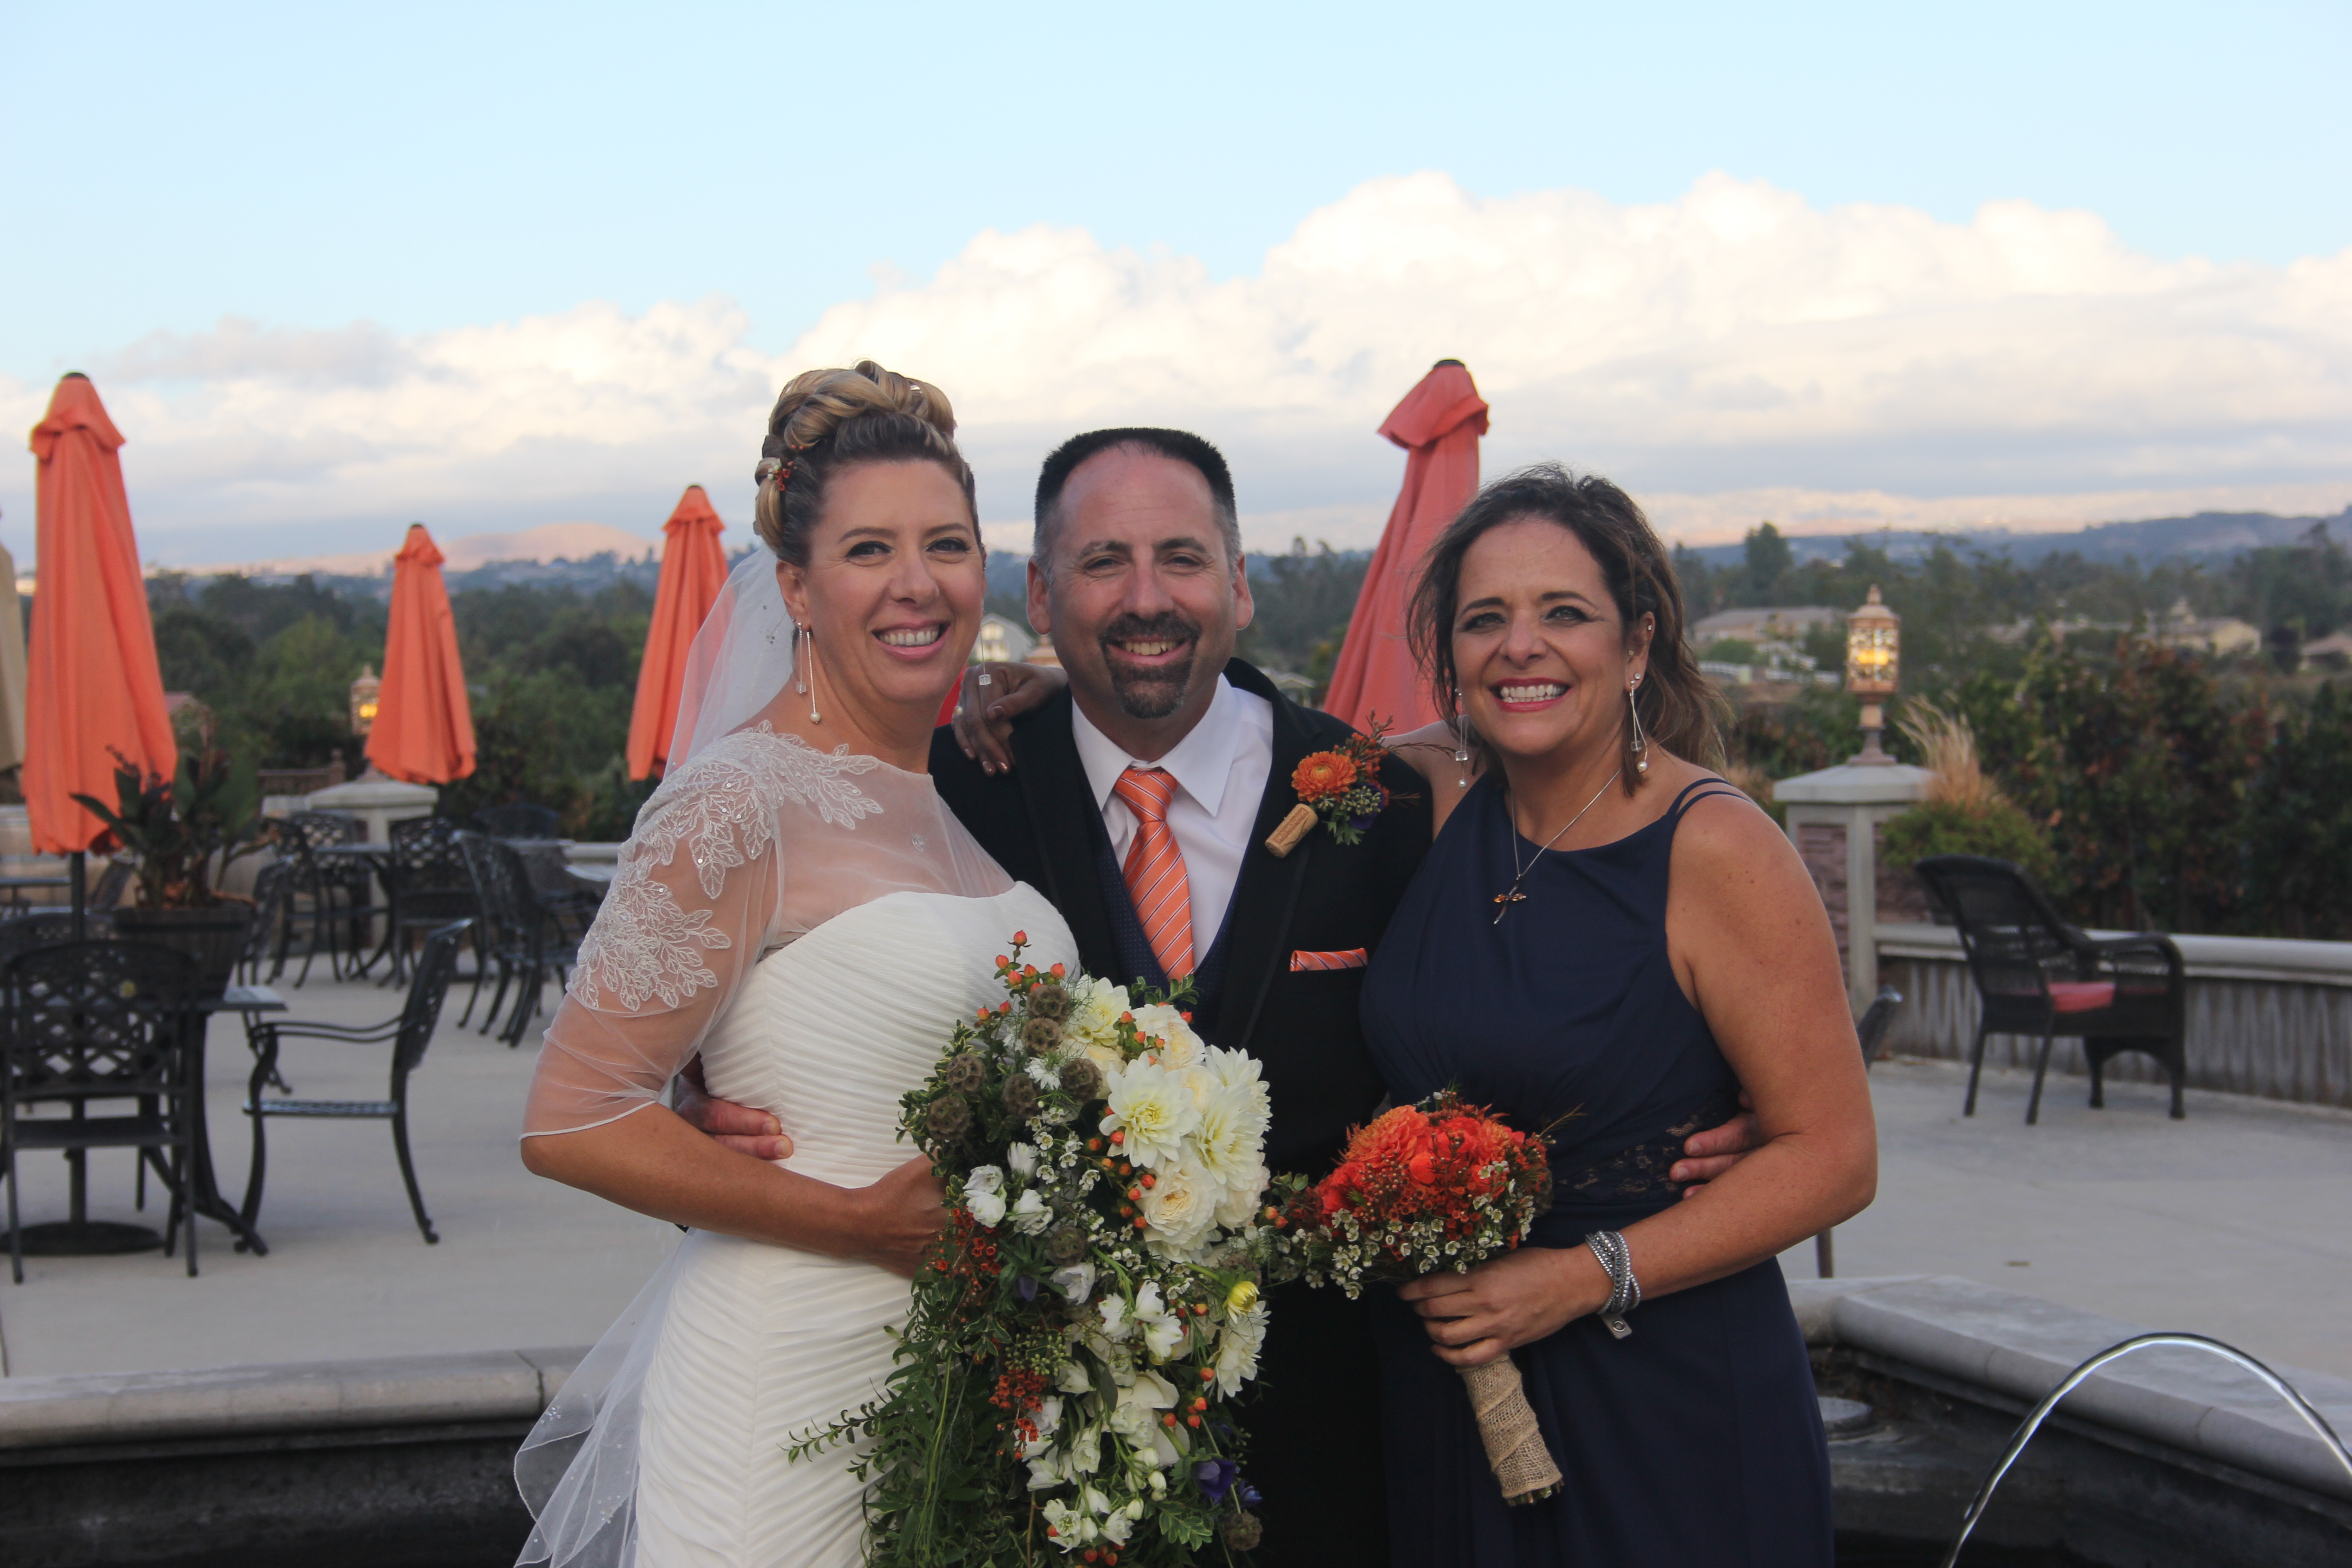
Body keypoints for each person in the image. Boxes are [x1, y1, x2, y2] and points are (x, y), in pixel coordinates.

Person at [680, 431, 1769, 1562]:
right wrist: (713, 1094)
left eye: (1183, 559)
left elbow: (1530, 976)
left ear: (1240, 586)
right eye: (1104, 563)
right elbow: (765, 1010)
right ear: (1042, 597)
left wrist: (1689, 1102)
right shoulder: (940, 794)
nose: (1147, 599)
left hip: (1349, 1457)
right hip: (1022, 1467)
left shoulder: (1391, 801)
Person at [509, 362, 1081, 1567]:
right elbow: (572, 1118)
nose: (917, 582)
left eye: (947, 546)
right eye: (870, 550)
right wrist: (858, 1223)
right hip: (781, 1389)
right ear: (797, 589)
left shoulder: (945, 798)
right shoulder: (737, 800)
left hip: (950, 1399)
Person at [1362, 463, 1877, 1566]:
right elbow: (1255, 745)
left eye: (1565, 614)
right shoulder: (1435, 793)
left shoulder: (1717, 847)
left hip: (1660, 1392)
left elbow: (1836, 1157)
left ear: (1637, 644)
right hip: (1456, 1385)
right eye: (1484, 619)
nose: (1521, 647)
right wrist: (1022, 694)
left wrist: (1578, 1278)